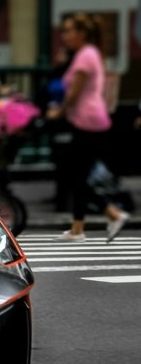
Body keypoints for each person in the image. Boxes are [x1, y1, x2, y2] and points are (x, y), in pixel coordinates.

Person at [47, 13, 130, 242]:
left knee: (75, 173)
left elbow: (74, 93)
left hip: (89, 121)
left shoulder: (85, 55)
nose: (65, 35)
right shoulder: (87, 54)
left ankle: (111, 214)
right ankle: (78, 228)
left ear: (82, 33)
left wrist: (58, 112)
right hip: (90, 119)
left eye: (69, 30)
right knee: (77, 174)